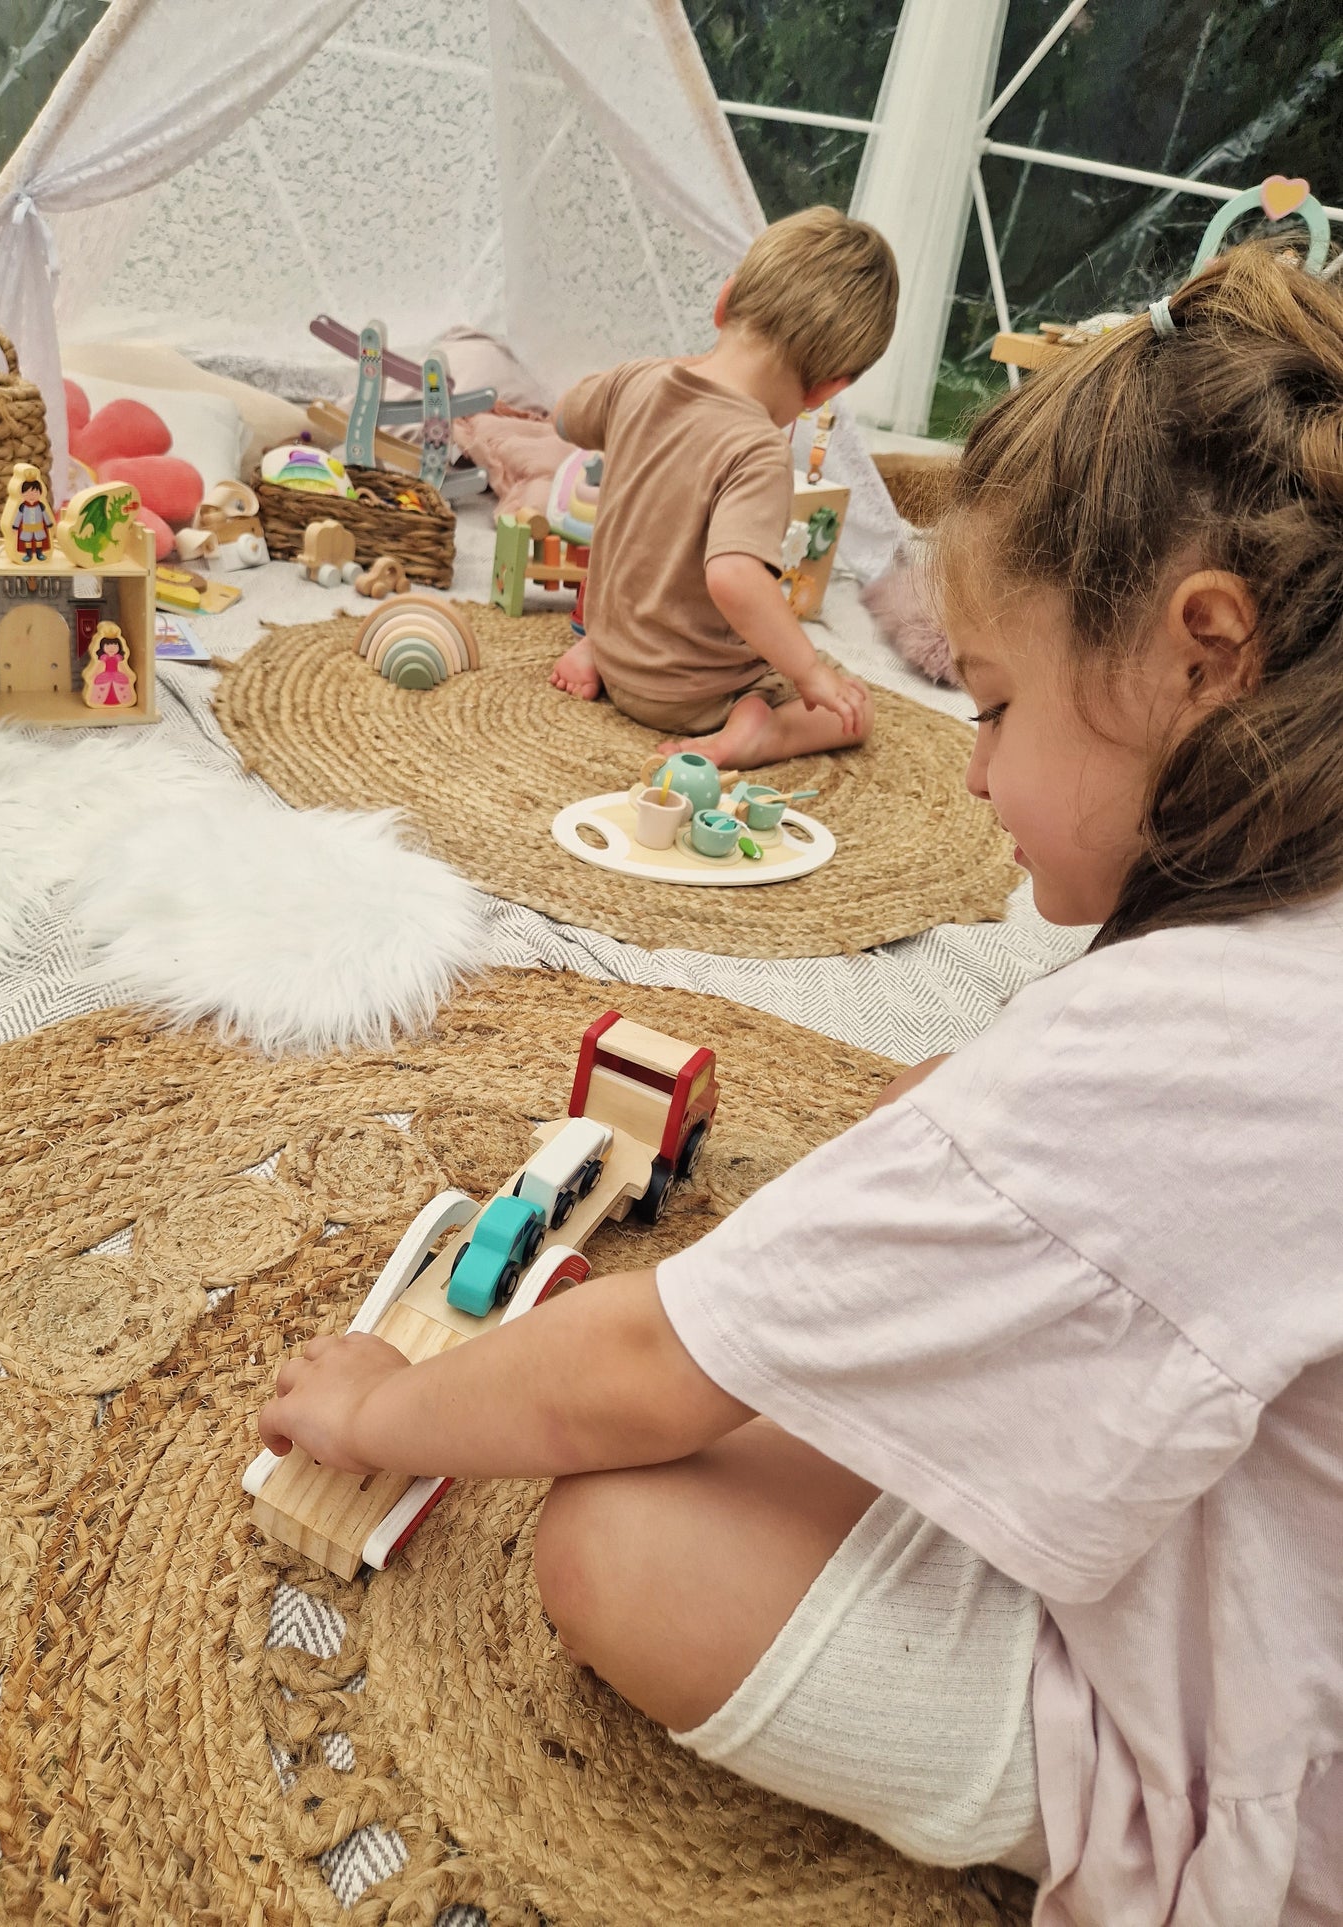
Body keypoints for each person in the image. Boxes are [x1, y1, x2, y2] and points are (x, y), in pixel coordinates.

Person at [258, 241, 1343, 1924]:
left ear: (1208, 653)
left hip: (1256, 1730)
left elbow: (651, 1365)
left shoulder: (1190, 1035)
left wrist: (381, 1410)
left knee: (613, 1542)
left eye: (990, 707)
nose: (968, 768)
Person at [546, 206, 897, 769]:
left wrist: (641, 379)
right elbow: (733, 577)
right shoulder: (759, 449)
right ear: (827, 389)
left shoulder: (637, 381)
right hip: (694, 696)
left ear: (722, 301)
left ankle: (599, 651)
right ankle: (761, 733)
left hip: (618, 659)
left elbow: (563, 416)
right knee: (852, 708)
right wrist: (808, 671)